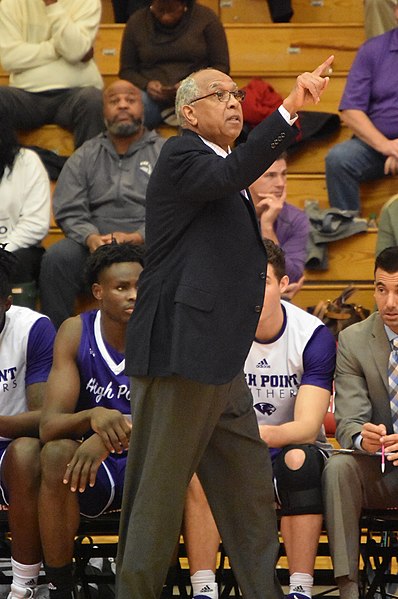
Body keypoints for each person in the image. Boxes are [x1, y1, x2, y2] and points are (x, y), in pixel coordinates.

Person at [116, 56, 334, 599]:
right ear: (189, 113)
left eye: (237, 92)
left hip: (220, 362)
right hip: (179, 355)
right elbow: (231, 176)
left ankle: (264, 591)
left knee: (250, 495)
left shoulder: (222, 166)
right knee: (158, 500)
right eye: (220, 94)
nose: (234, 101)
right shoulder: (182, 154)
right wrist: (288, 108)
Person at [183, 240, 336, 599]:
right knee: (201, 466)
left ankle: (299, 588)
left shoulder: (312, 335)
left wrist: (253, 437)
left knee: (299, 461)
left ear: (283, 284)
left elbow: (307, 426)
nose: (252, 290)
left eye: (263, 281)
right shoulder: (218, 332)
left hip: (290, 447)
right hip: (232, 447)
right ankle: (204, 589)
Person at [36, 243, 144, 599]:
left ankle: (154, 583)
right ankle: (61, 586)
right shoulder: (75, 331)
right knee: (53, 454)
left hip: (148, 459)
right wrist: (94, 415)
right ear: (98, 292)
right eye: (122, 287)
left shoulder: (164, 331)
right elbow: (49, 425)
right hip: (90, 468)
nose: (133, 295)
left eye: (140, 286)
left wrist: (115, 433)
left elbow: (176, 417)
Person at [39, 79, 164, 329]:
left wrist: (139, 236)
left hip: (149, 242)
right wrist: (90, 237)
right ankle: (59, 342)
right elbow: (69, 206)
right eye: (114, 101)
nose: (123, 106)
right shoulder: (86, 153)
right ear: (103, 110)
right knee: (56, 258)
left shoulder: (164, 151)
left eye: (130, 99)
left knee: (181, 256)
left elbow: (174, 209)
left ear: (143, 107)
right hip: (95, 244)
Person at [322, 245, 398, 599]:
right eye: (381, 290)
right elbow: (349, 419)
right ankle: (348, 587)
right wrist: (360, 438)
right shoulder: (353, 339)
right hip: (381, 468)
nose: (390, 303)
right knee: (339, 467)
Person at [0, 248, 56, 599]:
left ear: (6, 301)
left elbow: (45, 418)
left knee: (26, 454)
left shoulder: (33, 328)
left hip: (15, 444)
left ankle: (24, 585)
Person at [325, 1, 398, 214]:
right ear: (395, 12)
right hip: (375, 146)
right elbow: (351, 110)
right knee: (338, 159)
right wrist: (388, 146)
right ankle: (346, 229)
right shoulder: (372, 50)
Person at [0, 0, 104, 149]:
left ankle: (87, 171)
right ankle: (9, 168)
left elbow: (74, 50)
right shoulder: (11, 3)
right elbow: (10, 59)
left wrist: (52, 5)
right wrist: (58, 48)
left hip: (76, 93)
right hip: (26, 95)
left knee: (93, 100)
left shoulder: (88, 2)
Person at [119, 0, 230, 129]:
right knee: (132, 109)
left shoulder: (206, 19)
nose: (165, 16)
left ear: (184, 5)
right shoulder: (137, 22)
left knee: (200, 111)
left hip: (197, 93)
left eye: (171, 11)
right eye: (160, 10)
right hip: (150, 96)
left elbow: (221, 66)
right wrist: (146, 85)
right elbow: (127, 70)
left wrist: (191, 84)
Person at [0, 108, 50, 309]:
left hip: (16, 249)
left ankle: (20, 335)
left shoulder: (27, 161)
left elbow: (36, 224)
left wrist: (2, 251)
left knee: (18, 262)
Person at [249, 152, 309, 295]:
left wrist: (267, 227)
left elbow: (291, 279)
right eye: (270, 176)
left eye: (283, 174)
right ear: (248, 177)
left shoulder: (296, 219)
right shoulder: (228, 212)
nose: (281, 183)